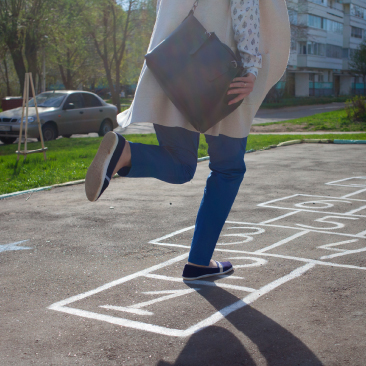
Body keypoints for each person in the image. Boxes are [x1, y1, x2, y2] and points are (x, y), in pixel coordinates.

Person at [85, 0, 290, 280]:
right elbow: (244, 9)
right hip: (223, 72)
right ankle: (198, 262)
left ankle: (126, 153)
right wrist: (252, 66)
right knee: (227, 169)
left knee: (180, 163)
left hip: (175, 65)